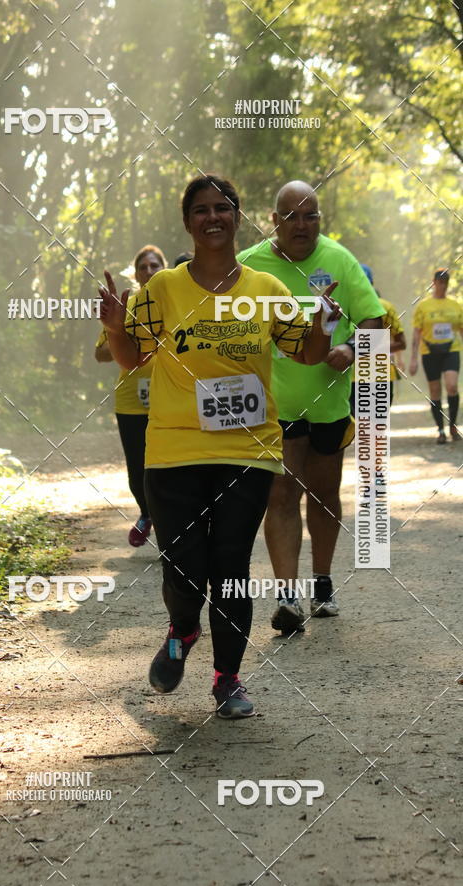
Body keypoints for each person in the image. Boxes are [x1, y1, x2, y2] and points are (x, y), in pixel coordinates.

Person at [99, 174, 340, 718]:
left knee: (230, 563)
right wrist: (117, 326)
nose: (213, 217)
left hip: (247, 452)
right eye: (201, 209)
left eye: (223, 208)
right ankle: (181, 631)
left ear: (238, 217)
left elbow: (305, 352)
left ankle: (228, 678)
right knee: (184, 566)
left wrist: (324, 325)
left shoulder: (266, 291)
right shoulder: (161, 289)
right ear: (188, 222)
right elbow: (132, 358)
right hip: (174, 451)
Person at [238, 180, 384, 632]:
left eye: (311, 216)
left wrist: (353, 350)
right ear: (274, 219)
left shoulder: (339, 259)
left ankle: (321, 581)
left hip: (328, 405)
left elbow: (375, 323)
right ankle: (287, 596)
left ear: (320, 219)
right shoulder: (248, 264)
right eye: (291, 216)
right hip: (272, 407)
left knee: (323, 495)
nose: (301, 226)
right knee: (281, 496)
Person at [95, 245, 167, 545]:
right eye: (143, 267)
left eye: (154, 266)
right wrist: (120, 333)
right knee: (137, 467)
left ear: (164, 269)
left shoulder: (177, 301)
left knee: (166, 466)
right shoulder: (126, 305)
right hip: (130, 401)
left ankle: (168, 525)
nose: (148, 271)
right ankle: (146, 513)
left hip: (171, 397)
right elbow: (100, 354)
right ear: (135, 273)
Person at [409, 268, 463, 443]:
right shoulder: (423, 306)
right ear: (433, 283)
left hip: (451, 350)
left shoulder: (456, 304)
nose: (443, 287)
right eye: (440, 283)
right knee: (435, 390)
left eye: (445, 283)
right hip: (430, 352)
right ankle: (440, 429)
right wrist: (413, 359)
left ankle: (453, 425)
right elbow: (417, 333)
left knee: (452, 386)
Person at [350, 264, 406, 412]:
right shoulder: (345, 306)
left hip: (376, 374)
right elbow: (401, 343)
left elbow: (402, 343)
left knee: (364, 426)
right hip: (356, 376)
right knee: (369, 426)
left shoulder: (384, 307)